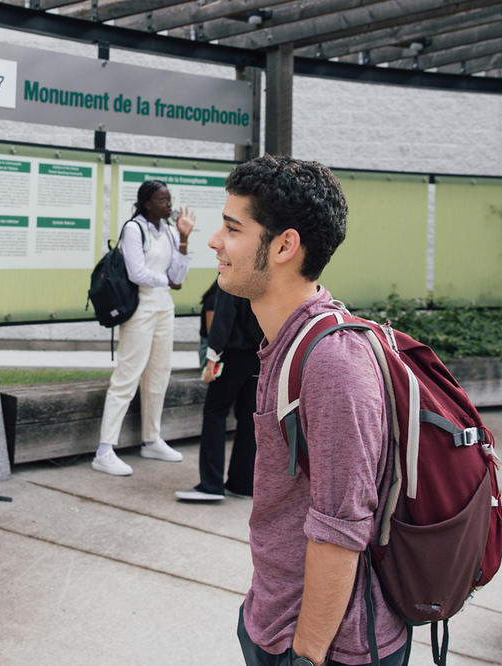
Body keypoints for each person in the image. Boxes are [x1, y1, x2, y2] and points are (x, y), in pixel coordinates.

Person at [210, 155, 409, 666]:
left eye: (232, 229)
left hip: (330, 649)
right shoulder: (288, 341)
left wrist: (306, 654)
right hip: (274, 622)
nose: (215, 242)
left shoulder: (332, 363)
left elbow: (341, 530)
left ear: (283, 246)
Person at [91, 180, 195, 476]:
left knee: (159, 374)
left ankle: (151, 439)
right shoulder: (133, 229)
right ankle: (104, 449)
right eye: (162, 200)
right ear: (147, 203)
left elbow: (178, 275)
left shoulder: (171, 232)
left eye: (169, 198)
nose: (169, 204)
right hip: (139, 309)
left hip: (164, 307)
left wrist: (185, 239)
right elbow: (137, 273)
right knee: (127, 375)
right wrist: (168, 281)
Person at [175, 280, 260, 502]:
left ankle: (211, 485)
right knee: (248, 418)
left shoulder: (232, 275)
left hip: (231, 354)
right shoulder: (263, 270)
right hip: (258, 355)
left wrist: (212, 356)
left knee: (215, 413)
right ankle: (242, 484)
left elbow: (223, 318)